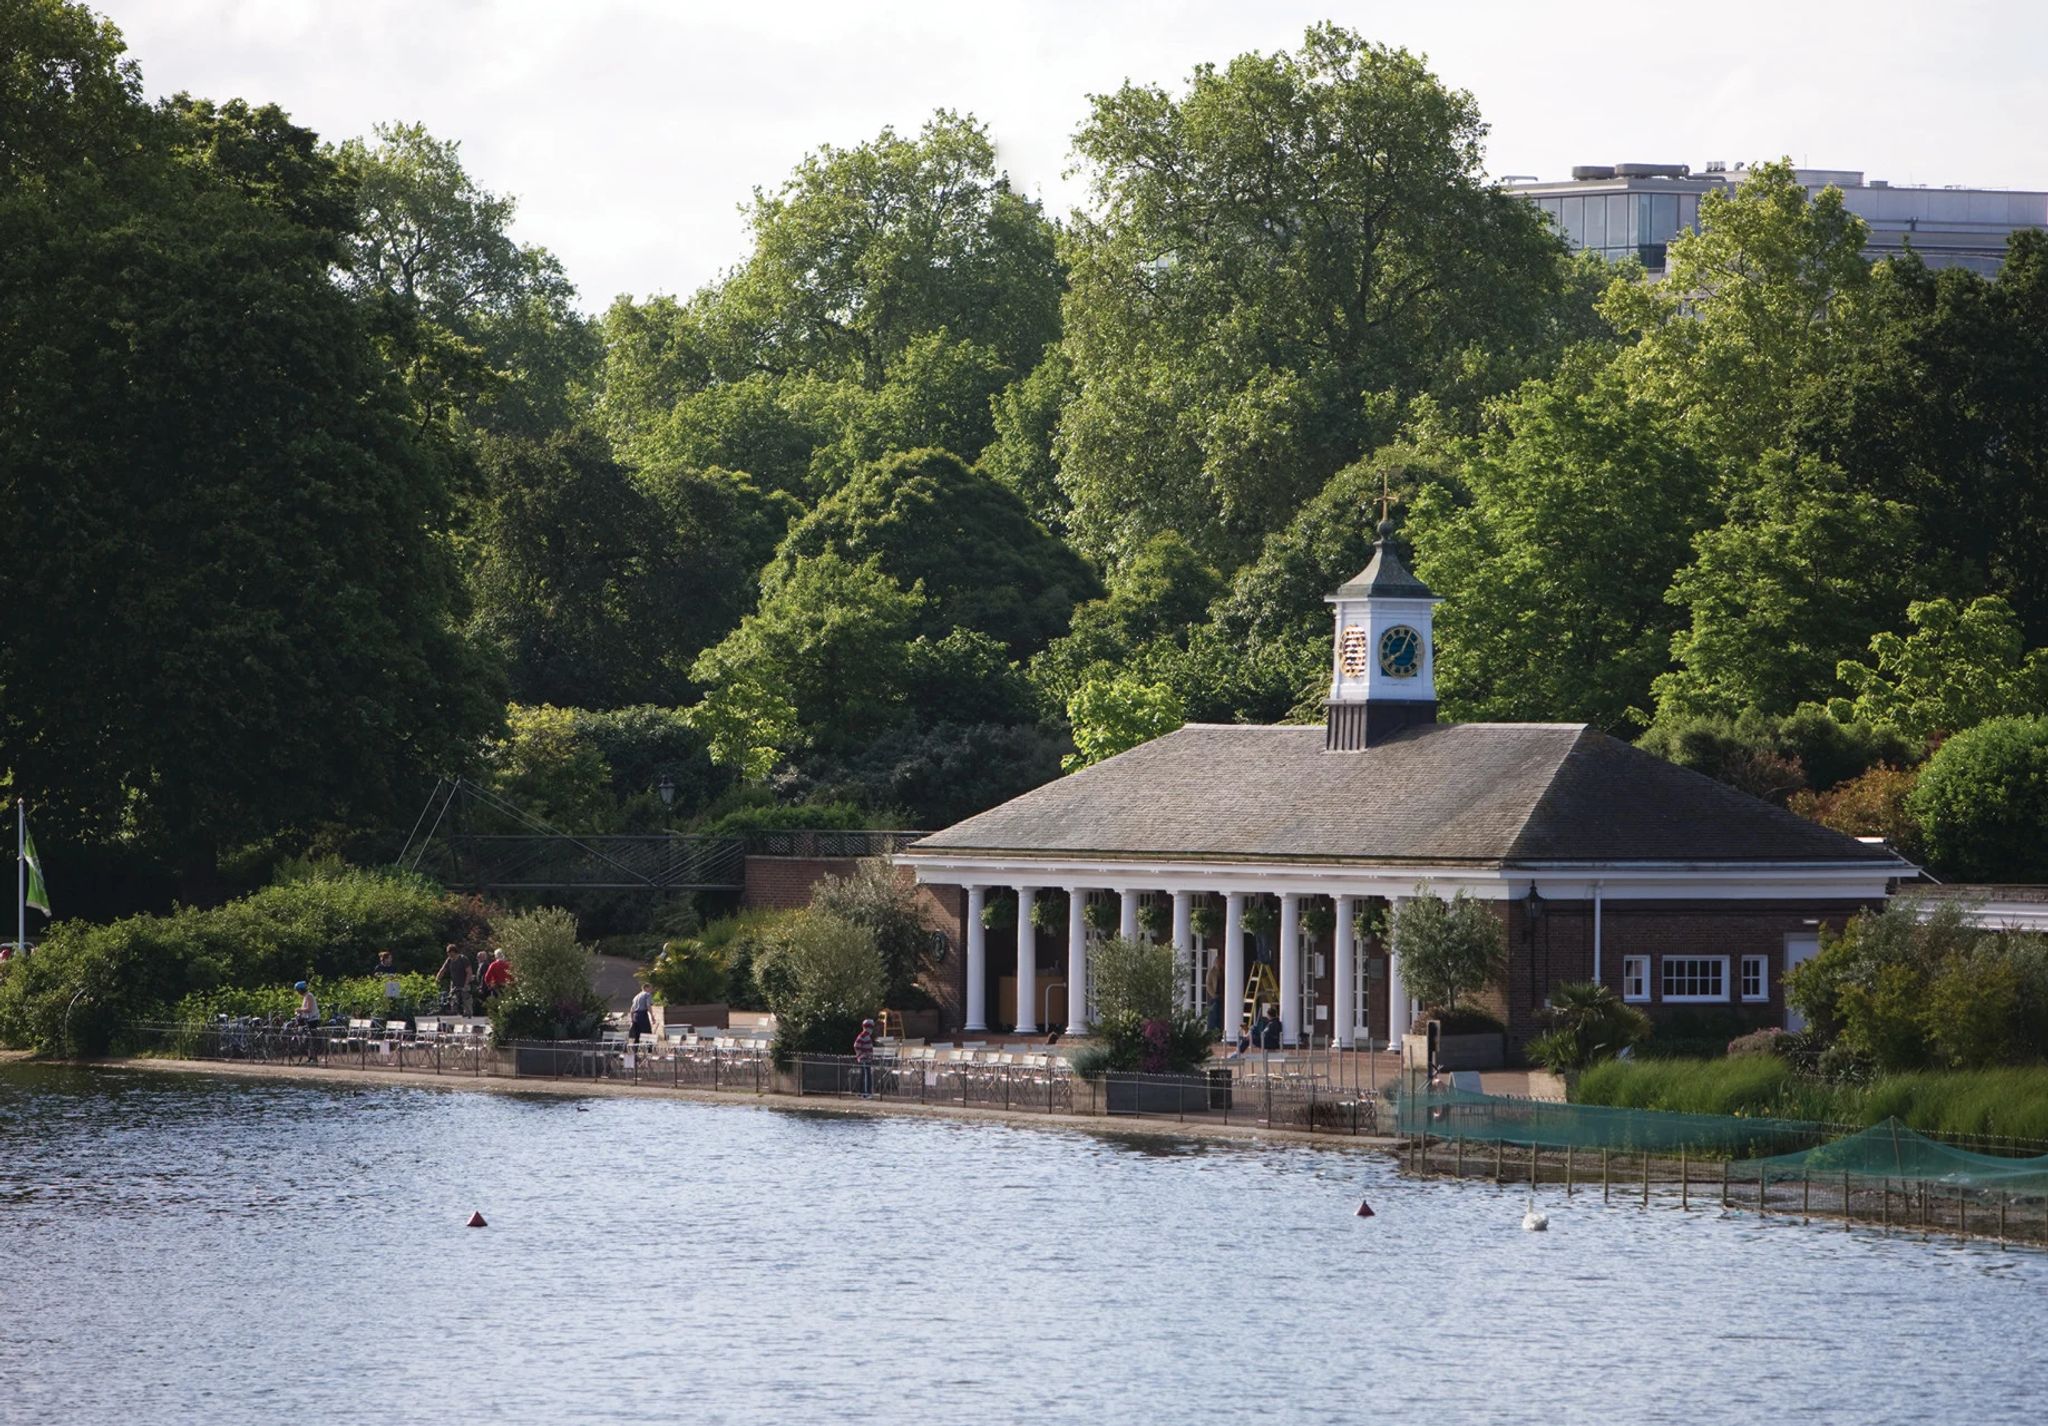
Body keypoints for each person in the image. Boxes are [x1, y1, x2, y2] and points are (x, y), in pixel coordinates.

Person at [435, 943, 472, 1015]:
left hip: (464, 984)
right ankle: (455, 1019)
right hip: (454, 985)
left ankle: (468, 1017)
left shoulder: (463, 959)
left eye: (450, 953)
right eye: (448, 954)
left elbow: (469, 972)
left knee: (466, 1003)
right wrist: (437, 980)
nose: (449, 955)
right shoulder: (449, 960)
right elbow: (442, 970)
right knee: (453, 1003)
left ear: (454, 952)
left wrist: (465, 984)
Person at [853, 1018, 875, 1098]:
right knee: (867, 1076)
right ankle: (866, 1093)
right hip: (864, 1059)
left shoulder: (866, 1036)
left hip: (866, 1058)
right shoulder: (863, 1035)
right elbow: (856, 1046)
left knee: (864, 1075)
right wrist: (862, 1054)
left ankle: (862, 1092)